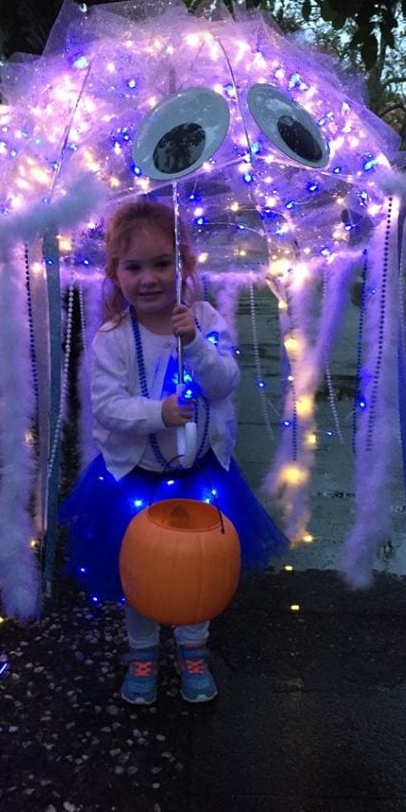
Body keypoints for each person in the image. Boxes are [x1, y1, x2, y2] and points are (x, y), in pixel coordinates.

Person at [60, 198, 288, 705]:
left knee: (197, 571)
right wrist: (157, 414)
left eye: (163, 263)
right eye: (134, 267)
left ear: (183, 264)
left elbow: (226, 382)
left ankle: (192, 649)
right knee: (140, 572)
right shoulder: (113, 337)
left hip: (200, 476)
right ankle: (142, 652)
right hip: (135, 480)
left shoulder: (203, 317)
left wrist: (199, 345)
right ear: (114, 273)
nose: (149, 279)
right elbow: (107, 406)